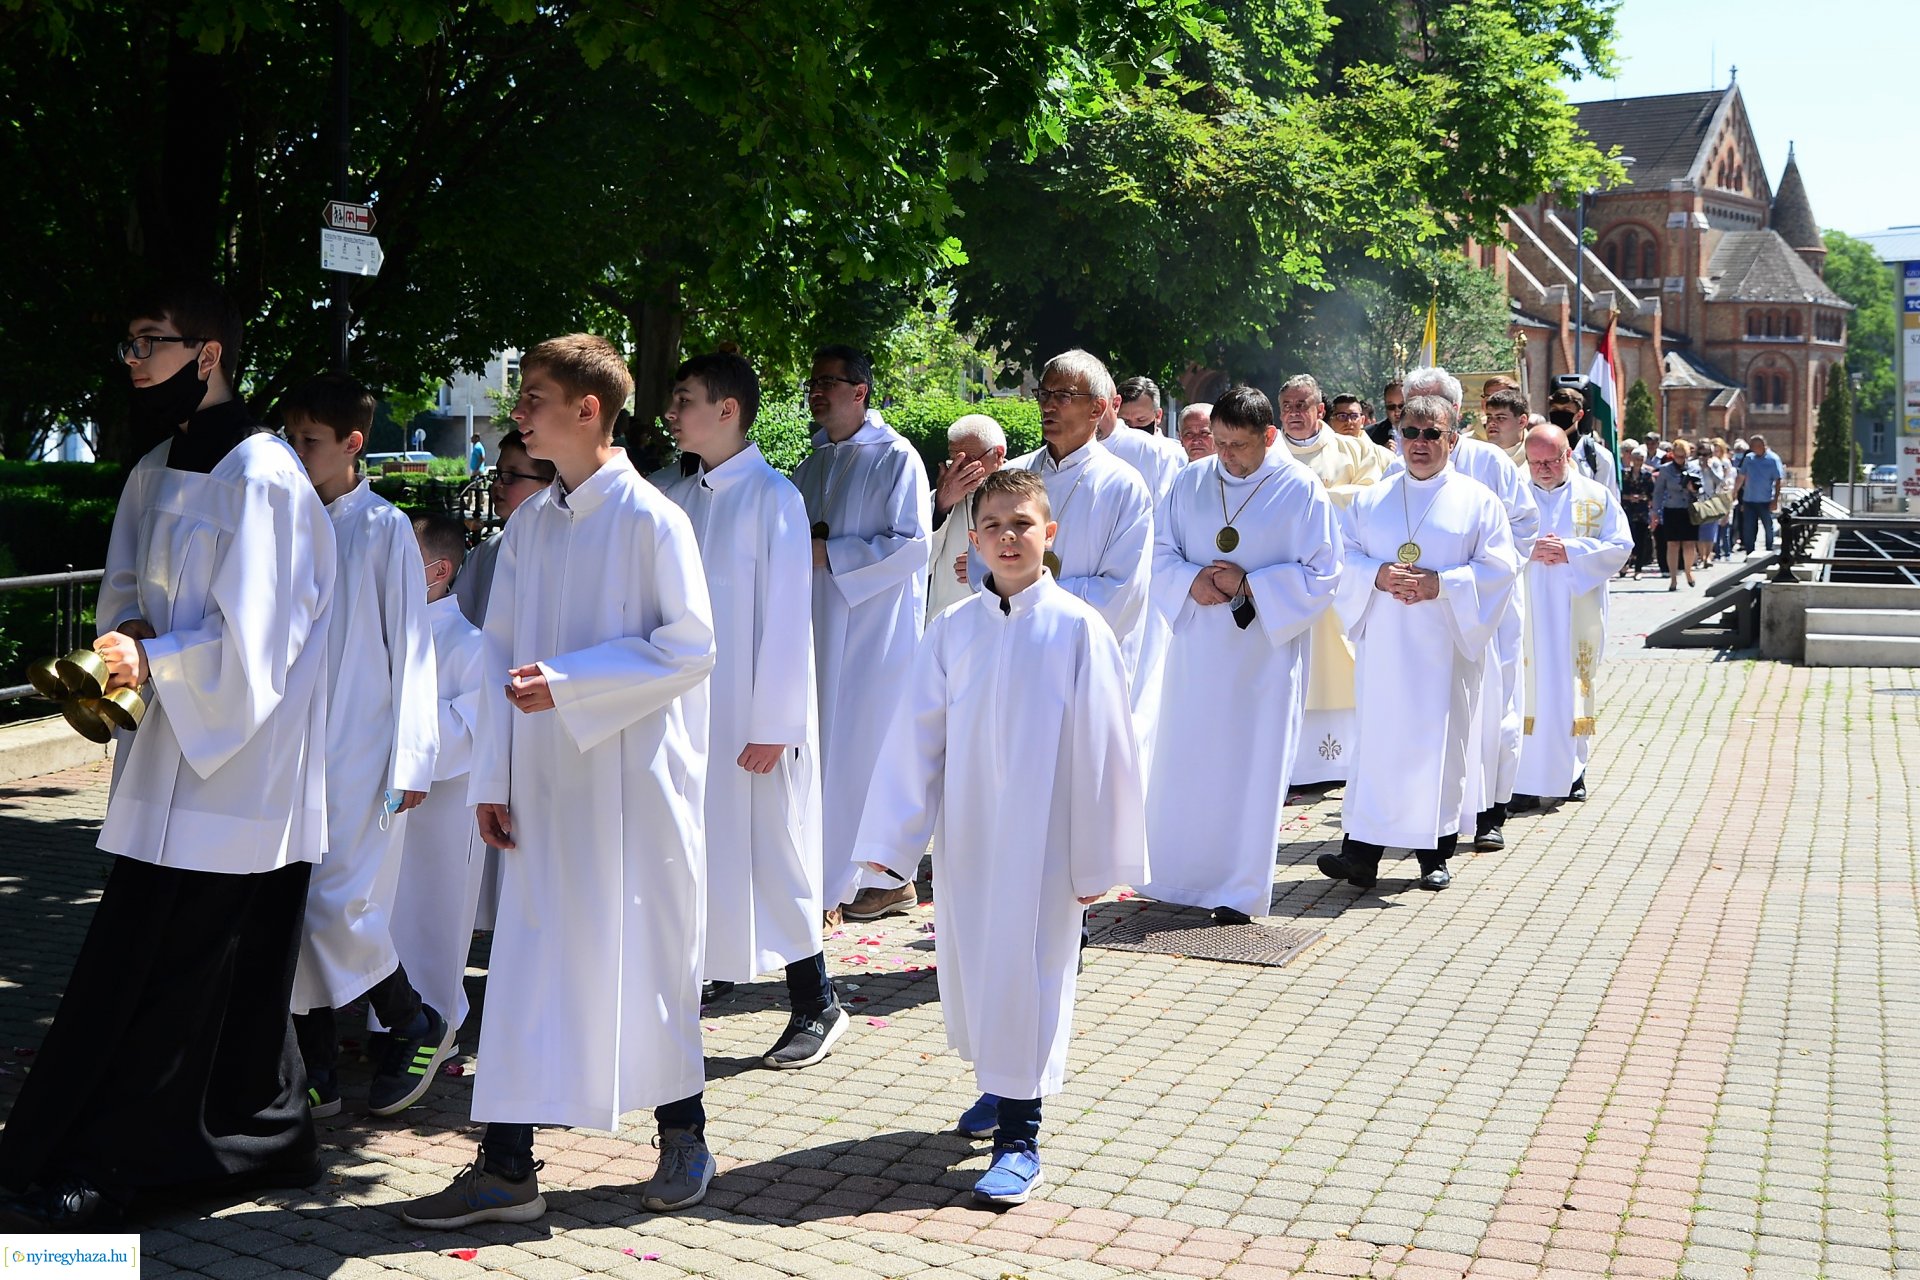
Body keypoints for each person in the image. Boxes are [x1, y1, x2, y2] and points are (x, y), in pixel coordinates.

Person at [0, 282, 334, 1229]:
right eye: (131, 344)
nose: (135, 361)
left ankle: (128, 1166)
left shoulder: (265, 475)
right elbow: (123, 588)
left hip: (239, 768)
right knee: (167, 964)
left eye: (152, 342)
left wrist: (162, 656)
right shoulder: (156, 465)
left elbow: (262, 643)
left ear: (209, 354)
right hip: (171, 749)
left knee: (190, 972)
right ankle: (269, 1131)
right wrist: (127, 638)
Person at [398, 335, 718, 1228]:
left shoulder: (654, 519)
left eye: (534, 397)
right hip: (541, 780)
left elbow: (692, 647)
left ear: (588, 410)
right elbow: (498, 655)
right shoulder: (532, 524)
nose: (519, 412)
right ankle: (507, 1166)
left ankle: (685, 1136)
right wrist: (492, 776)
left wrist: (573, 683)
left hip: (633, 784)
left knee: (648, 956)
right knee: (528, 964)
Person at [853, 468, 1147, 1207]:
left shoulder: (1078, 628)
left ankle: (1021, 1137)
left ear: (1050, 535)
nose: (1009, 537)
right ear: (974, 541)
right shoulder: (953, 630)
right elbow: (917, 739)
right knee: (976, 969)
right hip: (971, 835)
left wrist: (1098, 854)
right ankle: (1000, 1085)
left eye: (1023, 524)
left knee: (1031, 974)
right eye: (994, 526)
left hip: (1047, 842)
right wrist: (893, 843)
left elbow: (1106, 747)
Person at [658, 352, 844, 1069]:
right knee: (698, 848)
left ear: (727, 409)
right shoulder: (680, 496)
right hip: (691, 711)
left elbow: (789, 618)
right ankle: (699, 979)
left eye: (685, 399)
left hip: (754, 718)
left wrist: (774, 725)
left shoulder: (774, 498)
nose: (672, 413)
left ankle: (817, 1001)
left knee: (775, 851)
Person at [283, 374, 446, 1121]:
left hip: (361, 749)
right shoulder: (285, 519)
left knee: (335, 904)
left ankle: (414, 1020)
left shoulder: (383, 528)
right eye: (290, 437)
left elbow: (412, 645)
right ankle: (314, 1070)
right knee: (289, 898)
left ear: (352, 444)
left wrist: (413, 755)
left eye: (310, 440)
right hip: (290, 748)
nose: (296, 451)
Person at [1141, 387, 1341, 923]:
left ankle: (1238, 891)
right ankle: (1177, 877)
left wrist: (1250, 585)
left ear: (1269, 436)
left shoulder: (1299, 488)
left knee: (1249, 770)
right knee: (1188, 761)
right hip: (1196, 651)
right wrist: (1190, 580)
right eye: (1220, 442)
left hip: (1262, 660)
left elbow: (1324, 573)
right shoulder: (1190, 480)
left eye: (1239, 445)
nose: (1226, 456)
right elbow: (1158, 550)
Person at [1318, 395, 1519, 892]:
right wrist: (1378, 575)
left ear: (1453, 439)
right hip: (1385, 644)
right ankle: (1361, 855)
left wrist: (1442, 584)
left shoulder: (1478, 500)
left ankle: (1435, 855)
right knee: (1378, 746)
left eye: (1432, 434)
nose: (1421, 443)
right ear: (1398, 437)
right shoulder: (1371, 499)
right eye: (1411, 432)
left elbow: (1499, 568)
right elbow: (1343, 558)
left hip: (1444, 647)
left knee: (1440, 749)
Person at [792, 345, 931, 924]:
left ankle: (862, 883)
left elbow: (913, 545)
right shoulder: (811, 464)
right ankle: (815, 880)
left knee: (860, 753)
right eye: (813, 381)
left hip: (873, 632)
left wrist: (833, 555)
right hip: (815, 624)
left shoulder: (897, 457)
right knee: (818, 750)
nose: (817, 392)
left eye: (829, 381)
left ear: (860, 391)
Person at [1400, 367, 1538, 855]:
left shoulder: (1489, 462)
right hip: (1416, 616)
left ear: (1455, 415)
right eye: (1411, 411)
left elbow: (1524, 526)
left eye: (1433, 407)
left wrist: (1473, 580)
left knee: (1491, 709)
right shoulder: (1398, 466)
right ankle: (1418, 815)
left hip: (1484, 610)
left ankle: (1490, 814)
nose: (1420, 424)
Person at [969, 351, 1153, 685]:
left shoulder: (1124, 485)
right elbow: (980, 567)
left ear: (1097, 409)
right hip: (1009, 650)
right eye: (1044, 394)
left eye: (1064, 396)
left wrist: (1028, 599)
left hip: (1084, 659)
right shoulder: (1010, 476)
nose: (1048, 406)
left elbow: (1122, 593)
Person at [380, 514, 489, 1053]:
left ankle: (436, 1026)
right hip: (383, 800)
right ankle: (385, 1025)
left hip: (442, 809)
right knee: (385, 912)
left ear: (439, 571)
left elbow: (468, 728)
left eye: (406, 559)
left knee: (432, 917)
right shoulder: (383, 631)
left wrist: (399, 724)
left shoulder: (470, 644)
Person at [1275, 373, 1384, 792]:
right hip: (1287, 575)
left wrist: (1318, 497)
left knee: (1339, 662)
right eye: (1287, 406)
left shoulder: (1354, 448)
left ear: (1320, 409)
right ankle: (1292, 768)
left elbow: (1372, 497)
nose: (1294, 413)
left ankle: (1340, 765)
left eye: (1302, 405)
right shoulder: (1269, 452)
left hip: (1339, 577)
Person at [1511, 426, 1631, 806]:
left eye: (1551, 461)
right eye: (1535, 462)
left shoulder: (1595, 496)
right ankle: (1523, 782)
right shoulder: (1512, 495)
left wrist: (1571, 551)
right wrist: (1526, 550)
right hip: (1526, 613)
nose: (1543, 469)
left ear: (1568, 456)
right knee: (1526, 691)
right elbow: (1489, 543)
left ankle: (1574, 772)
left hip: (1574, 611)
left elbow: (1621, 545)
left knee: (1571, 690)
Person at [1102, 377, 1185, 773]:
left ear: (1157, 416)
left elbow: (1170, 520)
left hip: (1149, 578)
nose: (1136, 429)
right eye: (1128, 421)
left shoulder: (1164, 454)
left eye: (1143, 422)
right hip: (1102, 576)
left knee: (1146, 682)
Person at [456, 429, 554, 627]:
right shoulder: (486, 551)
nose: (497, 485)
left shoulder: (568, 553)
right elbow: (457, 621)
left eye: (511, 476)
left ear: (549, 485)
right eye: (498, 474)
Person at [928, 414, 1008, 616]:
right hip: (945, 620)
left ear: (998, 455)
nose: (960, 469)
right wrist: (941, 506)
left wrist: (989, 567)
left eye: (970, 459)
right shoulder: (935, 501)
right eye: (954, 460)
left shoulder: (1021, 499)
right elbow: (916, 564)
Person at [1546, 386, 1619, 499]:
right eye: (1555, 410)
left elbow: (1607, 499)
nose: (1559, 415)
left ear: (1579, 415)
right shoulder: (1538, 451)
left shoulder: (1599, 456)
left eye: (1566, 411)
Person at [1649, 439, 1704, 591]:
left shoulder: (1694, 468)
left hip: (1689, 509)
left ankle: (1688, 571)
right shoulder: (1665, 470)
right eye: (1679, 456)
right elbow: (1658, 492)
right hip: (1672, 509)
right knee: (1672, 544)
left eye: (1684, 456)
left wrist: (1693, 489)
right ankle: (1673, 578)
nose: (1681, 459)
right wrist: (1655, 512)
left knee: (1689, 544)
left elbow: (1702, 490)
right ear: (1673, 454)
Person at [1735, 434, 1786, 555]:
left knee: (1768, 526)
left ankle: (1769, 550)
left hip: (1765, 500)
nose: (1752, 448)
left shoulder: (1773, 459)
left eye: (1754, 446)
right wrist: (1735, 492)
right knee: (1749, 527)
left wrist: (1775, 500)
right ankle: (1750, 552)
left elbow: (1778, 480)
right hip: (1749, 499)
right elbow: (1741, 476)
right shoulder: (1749, 458)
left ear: (1762, 445)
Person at [1692, 437, 1733, 568]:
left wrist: (1709, 468)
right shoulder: (1692, 464)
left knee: (1710, 530)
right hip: (1697, 500)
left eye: (1707, 454)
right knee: (1699, 530)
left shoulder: (1715, 463)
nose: (1703, 456)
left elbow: (1720, 481)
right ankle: (1701, 556)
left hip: (1712, 500)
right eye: (1701, 453)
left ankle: (1708, 556)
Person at [1618, 446, 1656, 577]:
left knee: (1640, 541)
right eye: (1636, 459)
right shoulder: (1624, 474)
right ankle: (1624, 564)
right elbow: (1618, 492)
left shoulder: (1647, 475)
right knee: (1627, 540)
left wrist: (1642, 498)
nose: (1638, 462)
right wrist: (1628, 497)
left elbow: (1652, 494)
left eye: (1641, 459)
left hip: (1642, 512)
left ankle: (1638, 570)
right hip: (1627, 511)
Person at [1709, 438, 1738, 560]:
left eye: (1718, 450)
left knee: (1724, 526)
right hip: (1713, 495)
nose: (1716, 453)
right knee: (1714, 526)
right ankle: (1716, 552)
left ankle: (1726, 552)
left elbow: (1726, 479)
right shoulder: (1710, 462)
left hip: (1724, 494)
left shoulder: (1725, 462)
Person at [1483, 388, 1530, 459]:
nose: (1491, 423)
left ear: (1521, 422)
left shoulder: (1540, 455)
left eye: (1500, 418)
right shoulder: (1474, 455)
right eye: (1489, 417)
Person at [1367, 379, 1404, 448]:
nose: (1397, 412)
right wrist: (1382, 452)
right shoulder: (1369, 436)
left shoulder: (1424, 432)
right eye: (1391, 406)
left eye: (1402, 406)